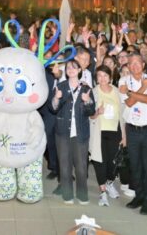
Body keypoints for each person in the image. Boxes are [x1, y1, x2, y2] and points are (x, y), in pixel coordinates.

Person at [51, 60, 96, 205]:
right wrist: (56, 99)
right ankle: (67, 195)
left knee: (82, 166)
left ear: (79, 70)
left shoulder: (86, 88)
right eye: (68, 67)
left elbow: (91, 111)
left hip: (81, 133)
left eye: (74, 67)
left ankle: (82, 195)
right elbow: (53, 109)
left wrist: (88, 101)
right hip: (62, 132)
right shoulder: (60, 87)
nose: (71, 70)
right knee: (64, 166)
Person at [119, 53, 147, 215]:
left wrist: (130, 92)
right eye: (131, 63)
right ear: (128, 66)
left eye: (137, 63)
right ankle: (139, 196)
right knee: (135, 165)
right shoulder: (123, 81)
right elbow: (129, 102)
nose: (134, 66)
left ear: (143, 64)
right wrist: (141, 89)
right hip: (132, 129)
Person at [89, 65, 126, 206]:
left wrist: (124, 135)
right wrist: (97, 112)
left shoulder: (116, 91)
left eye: (105, 75)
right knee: (100, 162)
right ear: (96, 78)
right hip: (99, 132)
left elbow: (122, 114)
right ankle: (102, 192)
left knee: (113, 163)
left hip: (115, 132)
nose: (102, 78)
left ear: (110, 77)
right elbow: (89, 116)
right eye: (99, 76)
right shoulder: (93, 92)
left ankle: (110, 183)